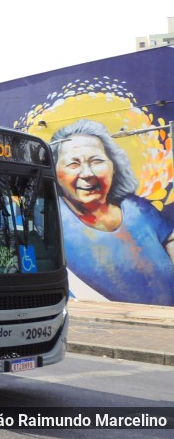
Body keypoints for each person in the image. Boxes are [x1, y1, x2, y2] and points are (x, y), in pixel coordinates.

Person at [50, 119, 174, 306]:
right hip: (104, 324)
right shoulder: (47, 216)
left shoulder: (137, 208)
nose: (87, 173)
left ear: (113, 166)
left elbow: (170, 240)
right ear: (54, 172)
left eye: (97, 161)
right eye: (73, 164)